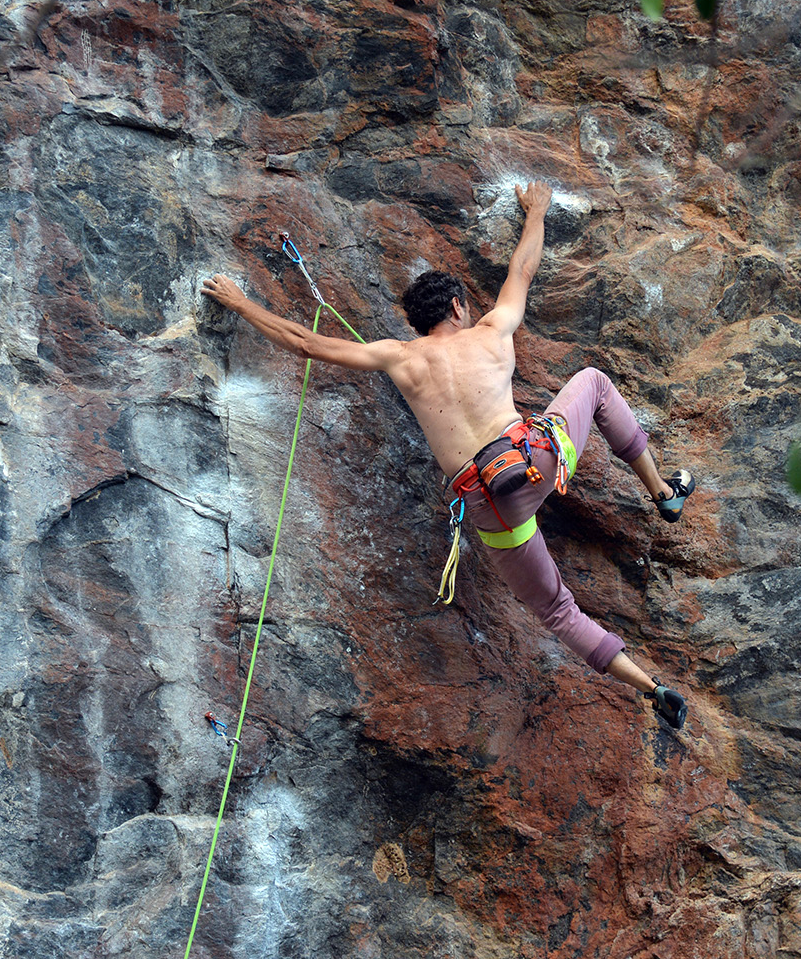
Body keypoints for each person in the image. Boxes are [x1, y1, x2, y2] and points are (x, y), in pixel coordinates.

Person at [198, 181, 696, 730]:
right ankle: (663, 494)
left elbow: (306, 344)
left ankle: (653, 689)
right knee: (595, 382)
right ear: (458, 306)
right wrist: (536, 211)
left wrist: (240, 301)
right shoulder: (491, 330)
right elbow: (523, 269)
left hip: (492, 507)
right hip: (540, 461)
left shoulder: (400, 356)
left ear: (419, 323)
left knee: (557, 610)